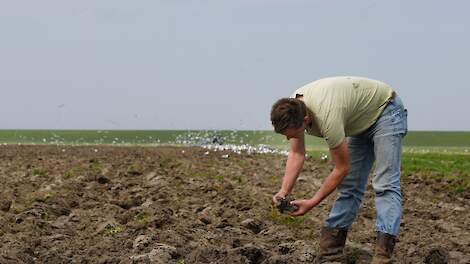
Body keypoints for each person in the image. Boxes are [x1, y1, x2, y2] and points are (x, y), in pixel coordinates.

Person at [270, 76, 407, 264]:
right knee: (350, 186)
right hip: (360, 119)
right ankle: (330, 254)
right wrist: (284, 191)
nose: (289, 139)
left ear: (306, 120)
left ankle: (382, 255)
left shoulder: (327, 116)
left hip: (386, 111)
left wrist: (312, 202)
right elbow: (296, 153)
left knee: (385, 183)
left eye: (291, 135)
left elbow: (341, 168)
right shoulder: (293, 108)